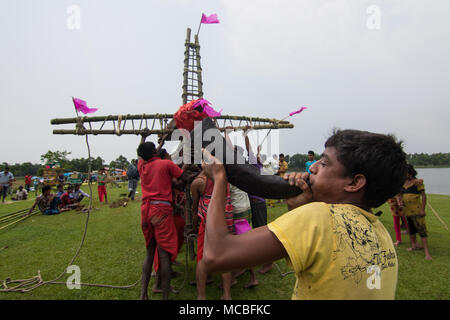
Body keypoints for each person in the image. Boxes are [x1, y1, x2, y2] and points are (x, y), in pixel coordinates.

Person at [200, 129, 407, 300]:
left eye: (324, 163)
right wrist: (298, 205)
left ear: (354, 183)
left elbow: (216, 256)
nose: (313, 167)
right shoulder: (381, 233)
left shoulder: (319, 217)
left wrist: (219, 179)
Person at [137, 141, 196, 300]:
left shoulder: (141, 166)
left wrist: (143, 137)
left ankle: (143, 295)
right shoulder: (166, 164)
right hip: (161, 212)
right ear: (155, 153)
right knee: (163, 254)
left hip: (146, 211)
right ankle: (165, 296)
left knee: (150, 253)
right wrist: (201, 172)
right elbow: (186, 178)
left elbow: (141, 154)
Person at [191, 170, 235, 300]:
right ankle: (227, 295)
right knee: (225, 256)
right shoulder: (225, 177)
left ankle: (201, 297)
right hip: (225, 220)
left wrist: (194, 227)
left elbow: (194, 208)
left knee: (201, 258)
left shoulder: (198, 182)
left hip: (207, 223)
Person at [244, 133, 272, 274]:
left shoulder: (255, 164)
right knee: (258, 231)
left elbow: (249, 150)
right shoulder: (257, 165)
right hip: (256, 203)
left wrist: (246, 135)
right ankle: (264, 260)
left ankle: (268, 263)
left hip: (258, 203)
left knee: (262, 233)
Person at [398, 164, 432, 260]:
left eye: (405, 173)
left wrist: (422, 209)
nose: (404, 175)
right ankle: (414, 246)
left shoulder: (417, 183)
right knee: (411, 230)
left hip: (417, 211)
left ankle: (427, 253)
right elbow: (399, 195)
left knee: (422, 231)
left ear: (410, 173)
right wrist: (400, 202)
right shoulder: (402, 184)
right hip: (407, 212)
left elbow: (424, 196)